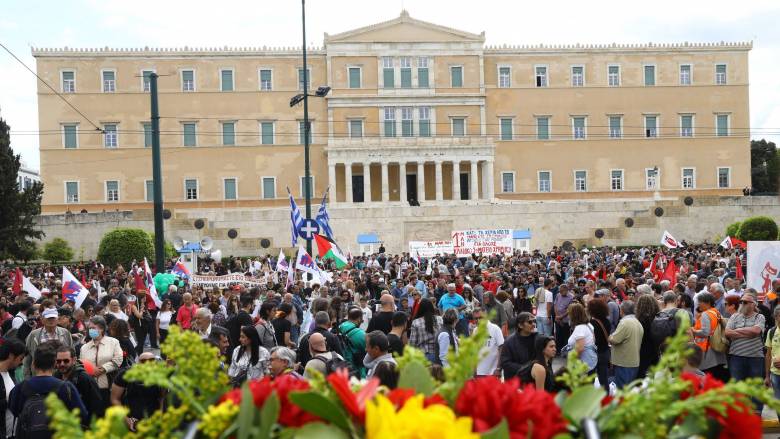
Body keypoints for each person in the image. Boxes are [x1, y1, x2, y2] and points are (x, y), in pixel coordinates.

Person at [9, 342, 89, 437]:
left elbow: (14, 410)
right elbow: (81, 415)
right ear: (55, 363)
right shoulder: (66, 387)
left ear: (33, 364)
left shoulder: (20, 387)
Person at [724, 291, 764, 413]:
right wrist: (748, 332)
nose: (742, 304)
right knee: (737, 388)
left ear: (753, 304)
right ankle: (740, 414)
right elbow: (727, 332)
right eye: (741, 301)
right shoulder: (735, 316)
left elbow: (756, 331)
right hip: (736, 357)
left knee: (756, 388)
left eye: (745, 302)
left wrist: (737, 331)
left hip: (755, 358)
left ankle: (756, 415)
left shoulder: (759, 317)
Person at [110, 352, 165, 432]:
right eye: (143, 361)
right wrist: (126, 419)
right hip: (132, 419)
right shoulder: (125, 374)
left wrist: (161, 417)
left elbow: (162, 398)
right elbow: (115, 399)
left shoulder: (160, 375)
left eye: (151, 360)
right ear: (138, 363)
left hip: (153, 419)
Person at [79, 316, 123, 410]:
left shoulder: (113, 342)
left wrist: (103, 369)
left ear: (102, 328)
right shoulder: (84, 347)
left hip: (108, 386)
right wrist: (90, 372)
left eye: (93, 328)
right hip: (90, 388)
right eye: (89, 328)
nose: (91, 330)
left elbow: (118, 359)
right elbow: (81, 365)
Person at [53, 345, 102, 419]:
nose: (62, 364)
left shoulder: (84, 379)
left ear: (74, 360)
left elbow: (97, 407)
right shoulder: (55, 377)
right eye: (59, 361)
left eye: (66, 361)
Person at [23, 308, 73, 379]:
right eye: (48, 318)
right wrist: (27, 377)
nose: (51, 320)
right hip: (39, 375)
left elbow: (72, 352)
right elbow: (27, 358)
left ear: (57, 319)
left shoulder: (65, 333)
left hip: (61, 375)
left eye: (53, 318)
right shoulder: (34, 335)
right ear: (42, 320)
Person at [691, 292, 728, 382]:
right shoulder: (716, 312)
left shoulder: (705, 314)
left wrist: (693, 331)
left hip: (707, 350)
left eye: (700, 302)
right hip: (717, 347)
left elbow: (705, 332)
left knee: (709, 377)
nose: (698, 304)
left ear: (707, 302)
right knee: (719, 376)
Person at [609, 301, 644, 388]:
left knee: (623, 391)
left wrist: (609, 337)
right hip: (633, 362)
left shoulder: (625, 322)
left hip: (624, 363)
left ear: (622, 310)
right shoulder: (637, 322)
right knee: (629, 390)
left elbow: (615, 340)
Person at [500, 312, 538, 381]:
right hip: (515, 382)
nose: (533, 324)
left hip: (533, 382)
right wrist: (526, 368)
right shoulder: (509, 342)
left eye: (534, 321)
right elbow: (505, 363)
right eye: (530, 322)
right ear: (520, 325)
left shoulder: (538, 339)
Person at [0, 338, 26, 439]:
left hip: (11, 433)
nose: (21, 362)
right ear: (11, 356)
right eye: (20, 358)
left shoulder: (10, 373)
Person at [566, 303, 598, 374]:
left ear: (573, 315)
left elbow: (580, 349)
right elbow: (593, 340)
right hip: (590, 360)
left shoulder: (580, 328)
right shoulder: (588, 325)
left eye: (569, 313)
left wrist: (572, 363)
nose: (568, 316)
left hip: (582, 364)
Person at [409, 299, 443, 363]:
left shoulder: (416, 322)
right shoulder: (440, 319)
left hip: (423, 355)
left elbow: (412, 343)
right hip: (440, 354)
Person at [635, 294, 661, 378]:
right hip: (656, 348)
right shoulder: (658, 317)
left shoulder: (641, 320)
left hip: (643, 349)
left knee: (640, 374)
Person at [587, 298, 611, 388]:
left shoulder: (591, 323)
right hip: (604, 352)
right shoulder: (607, 321)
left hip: (594, 353)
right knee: (604, 378)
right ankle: (606, 397)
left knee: (590, 378)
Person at [473, 308, 504, 377]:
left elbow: (501, 349)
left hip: (492, 372)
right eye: (476, 318)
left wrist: (498, 368)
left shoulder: (495, 329)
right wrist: (474, 368)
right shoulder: (475, 331)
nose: (478, 320)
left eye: (480, 318)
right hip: (479, 373)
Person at [337, 308, 367, 376]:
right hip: (356, 369)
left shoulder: (339, 327)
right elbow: (368, 351)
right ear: (359, 319)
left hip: (341, 367)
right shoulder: (361, 334)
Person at [764, 305, 780, 422]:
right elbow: (768, 355)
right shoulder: (771, 332)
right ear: (775, 317)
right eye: (779, 316)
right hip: (775, 374)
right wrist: (767, 376)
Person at [554, 285, 574, 355]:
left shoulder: (571, 297)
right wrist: (557, 316)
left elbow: (569, 310)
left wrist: (561, 317)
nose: (560, 292)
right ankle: (558, 351)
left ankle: (565, 352)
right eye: (559, 291)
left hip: (565, 320)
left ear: (566, 290)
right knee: (558, 336)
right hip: (557, 319)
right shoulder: (558, 295)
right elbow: (555, 305)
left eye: (561, 291)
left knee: (566, 336)